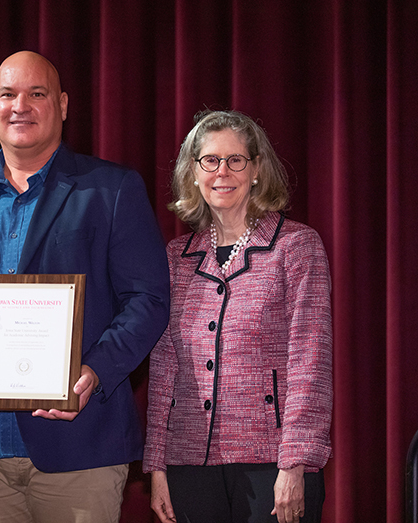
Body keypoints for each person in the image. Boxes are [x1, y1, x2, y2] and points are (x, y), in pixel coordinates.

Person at [0, 50, 170, 523]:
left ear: (62, 105)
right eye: (8, 94)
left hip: (80, 447)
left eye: (36, 94)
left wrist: (97, 370)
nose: (20, 105)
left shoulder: (112, 189)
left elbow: (148, 301)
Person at [143, 109, 333, 523]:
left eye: (235, 160)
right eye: (209, 160)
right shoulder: (177, 257)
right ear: (194, 173)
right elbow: (164, 366)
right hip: (189, 463)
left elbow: (309, 363)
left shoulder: (296, 247)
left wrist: (295, 463)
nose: (221, 172)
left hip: (272, 463)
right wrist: (157, 465)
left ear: (257, 170)